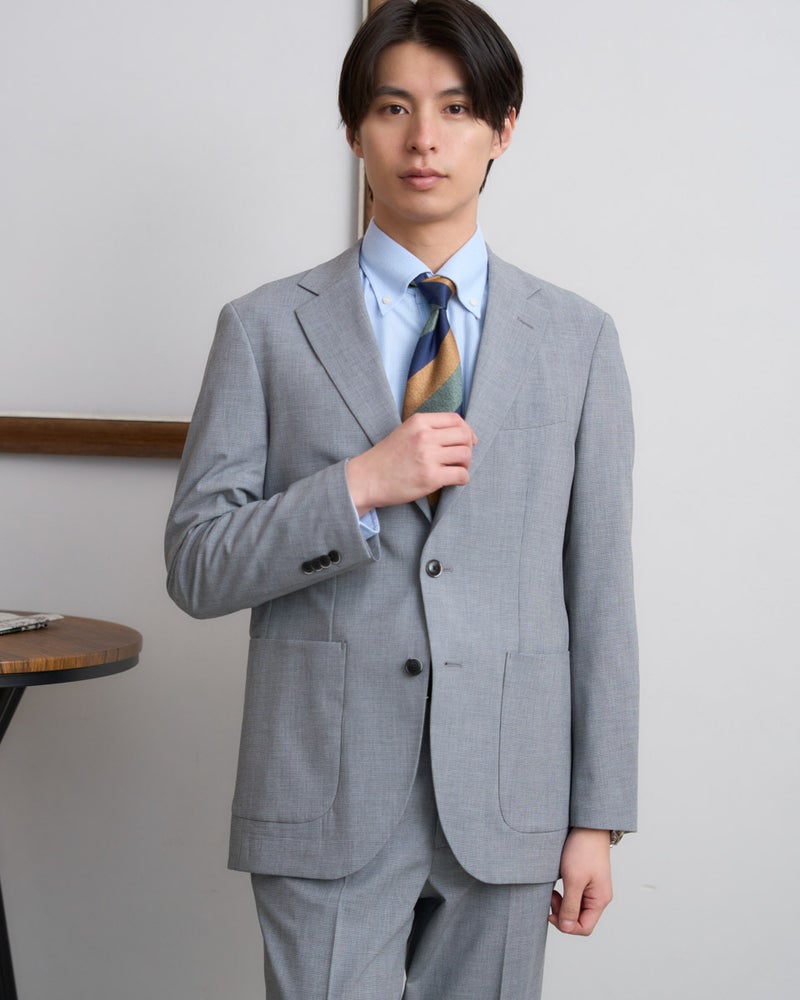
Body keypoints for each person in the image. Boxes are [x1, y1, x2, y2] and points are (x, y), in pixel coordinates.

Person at [164, 1, 638, 996]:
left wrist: (596, 816)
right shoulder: (263, 328)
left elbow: (598, 591)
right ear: (354, 131)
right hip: (323, 794)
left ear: (501, 129)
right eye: (393, 107)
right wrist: (358, 486)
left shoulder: (577, 340)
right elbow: (197, 565)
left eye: (456, 108)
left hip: (507, 801)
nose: (424, 138)